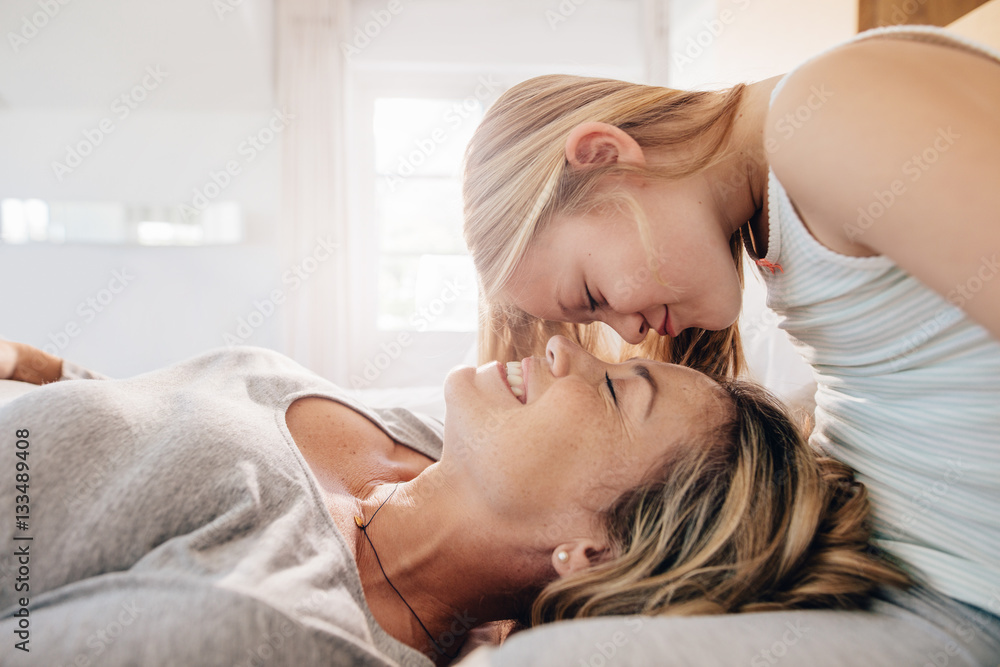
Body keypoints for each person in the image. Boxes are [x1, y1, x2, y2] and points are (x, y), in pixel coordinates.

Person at [462, 25, 1000, 664]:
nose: (627, 334)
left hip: (963, 600)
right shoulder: (780, 203)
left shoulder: (825, 116)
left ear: (604, 155)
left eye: (591, 295)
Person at [1, 335, 910, 667]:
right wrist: (53, 375)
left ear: (593, 551)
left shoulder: (268, 627)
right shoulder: (417, 436)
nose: (567, 349)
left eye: (610, 392)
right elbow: (157, 448)